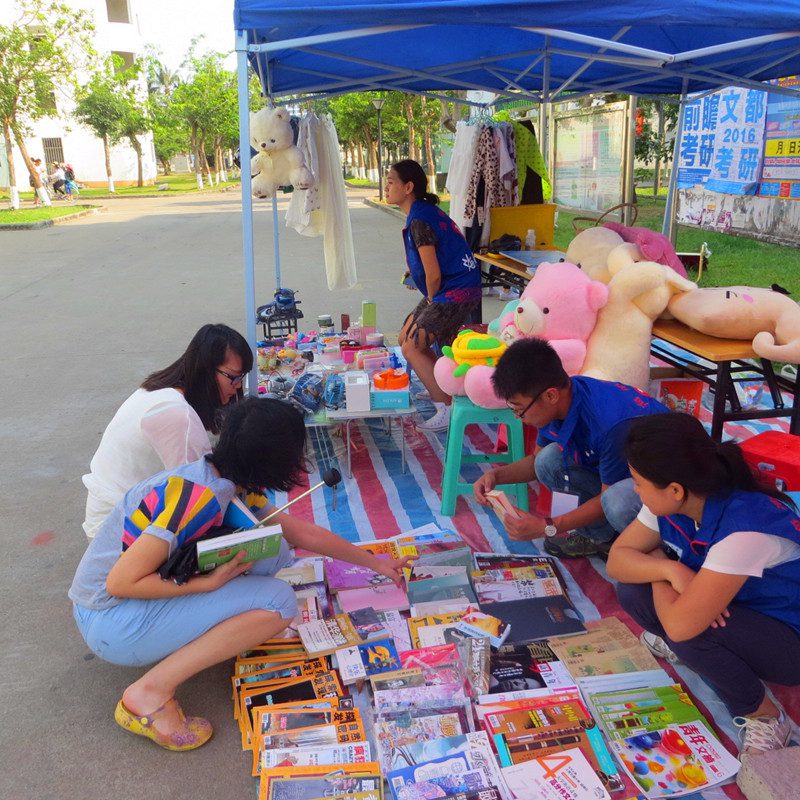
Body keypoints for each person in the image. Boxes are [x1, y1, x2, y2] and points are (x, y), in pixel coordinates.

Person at [69, 398, 413, 751]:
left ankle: (217, 633)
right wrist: (207, 584)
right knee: (279, 603)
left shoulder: (226, 477)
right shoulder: (200, 498)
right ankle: (149, 693)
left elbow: (301, 533)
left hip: (119, 608)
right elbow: (120, 582)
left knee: (272, 547)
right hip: (108, 620)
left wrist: (377, 563)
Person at [607, 413, 800, 755]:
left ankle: (766, 716)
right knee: (633, 590)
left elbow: (680, 626)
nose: (634, 490)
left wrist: (659, 562)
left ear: (675, 490)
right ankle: (701, 647)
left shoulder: (743, 529)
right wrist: (670, 570)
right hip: (740, 609)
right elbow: (617, 561)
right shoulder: (677, 499)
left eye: (638, 482)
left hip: (789, 638)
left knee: (690, 633)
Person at [472, 338, 667, 559]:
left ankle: (659, 551)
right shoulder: (560, 401)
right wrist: (495, 476)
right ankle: (603, 539)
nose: (518, 417)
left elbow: (606, 499)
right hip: (620, 475)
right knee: (547, 461)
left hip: (665, 488)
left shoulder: (609, 426)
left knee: (617, 502)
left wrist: (547, 526)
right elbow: (535, 462)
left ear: (551, 395)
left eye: (520, 410)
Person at [82, 323, 253, 541]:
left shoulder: (162, 390)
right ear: (206, 369)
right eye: (233, 377)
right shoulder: (177, 415)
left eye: (242, 377)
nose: (238, 386)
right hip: (117, 527)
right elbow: (200, 497)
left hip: (115, 512)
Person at [386, 159, 481, 432]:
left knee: (412, 346)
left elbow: (434, 275)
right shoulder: (422, 212)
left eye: (391, 182)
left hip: (455, 291)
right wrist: (415, 275)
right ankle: (439, 384)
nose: (387, 187)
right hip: (452, 287)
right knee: (405, 337)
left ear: (408, 187)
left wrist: (429, 298)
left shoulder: (419, 220)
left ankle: (447, 408)